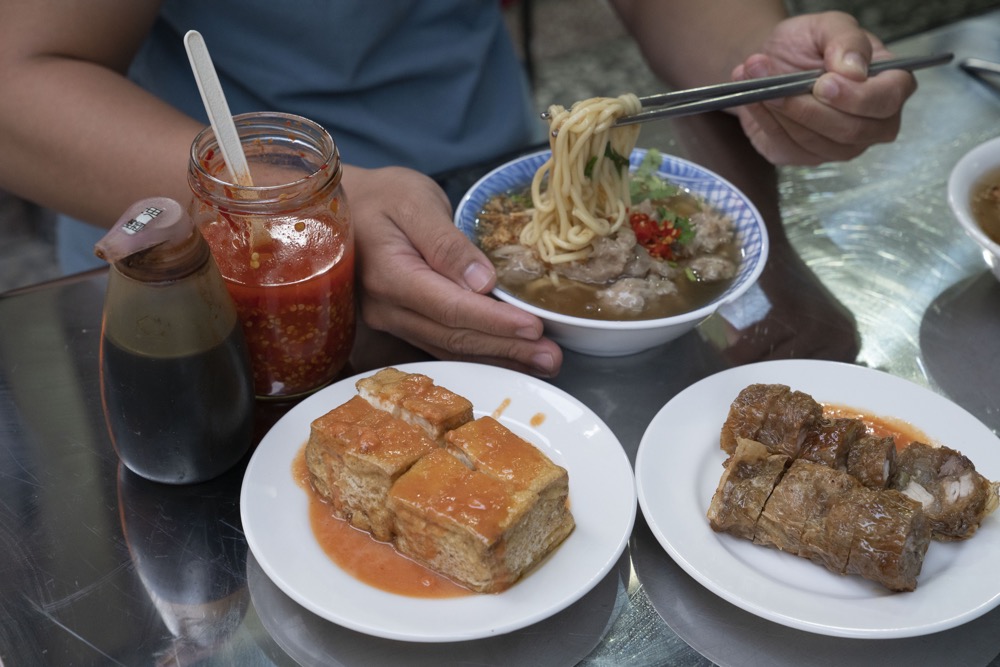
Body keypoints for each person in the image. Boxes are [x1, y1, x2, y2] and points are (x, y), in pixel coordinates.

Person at [0, 1, 916, 377]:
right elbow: (17, 79)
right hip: (213, 239)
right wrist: (314, 204)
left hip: (488, 182)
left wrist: (766, 69)